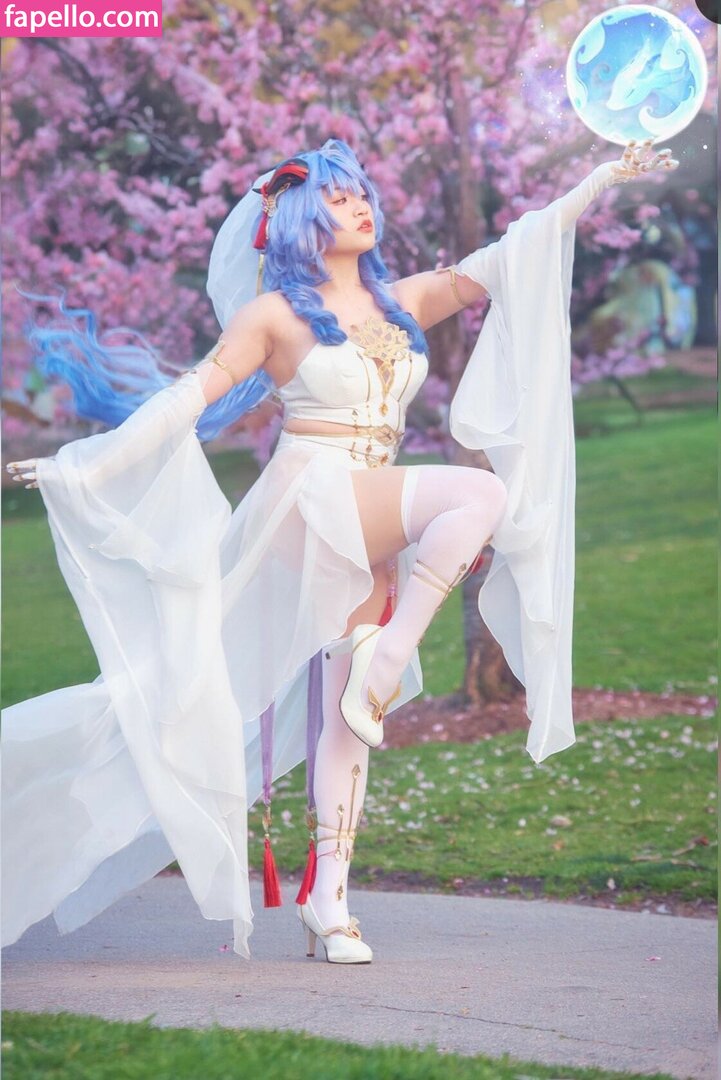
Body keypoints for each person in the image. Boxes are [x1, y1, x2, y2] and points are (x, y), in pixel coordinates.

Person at [3, 137, 678, 963]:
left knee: (345, 719)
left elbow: (512, 254)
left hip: (367, 508)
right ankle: (386, 661)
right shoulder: (273, 317)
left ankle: (329, 900)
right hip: (312, 498)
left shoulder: (401, 301)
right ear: (296, 218)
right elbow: (187, 399)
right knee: (478, 496)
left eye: (361, 192)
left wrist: (597, 180)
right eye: (336, 196)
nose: (359, 204)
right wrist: (85, 465)